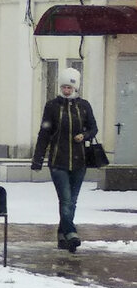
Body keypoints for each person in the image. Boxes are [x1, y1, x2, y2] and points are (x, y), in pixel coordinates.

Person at [30, 67, 97, 252]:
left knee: (71, 201)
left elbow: (93, 128)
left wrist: (84, 135)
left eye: (70, 87)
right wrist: (38, 158)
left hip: (79, 161)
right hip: (58, 161)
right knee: (66, 200)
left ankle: (62, 234)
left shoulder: (84, 106)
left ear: (76, 88)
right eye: (64, 87)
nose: (66, 90)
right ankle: (71, 232)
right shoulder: (52, 106)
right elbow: (44, 133)